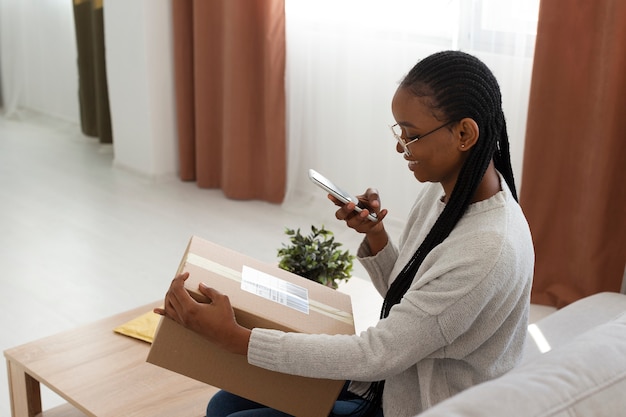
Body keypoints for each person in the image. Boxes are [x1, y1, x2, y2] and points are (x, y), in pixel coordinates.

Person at [155, 50, 534, 417]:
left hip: (416, 404)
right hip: (391, 382)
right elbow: (414, 303)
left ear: (465, 133)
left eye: (412, 134)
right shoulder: (445, 191)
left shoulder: (488, 250)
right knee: (223, 405)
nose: (401, 145)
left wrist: (237, 339)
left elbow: (377, 353)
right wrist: (378, 238)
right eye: (399, 129)